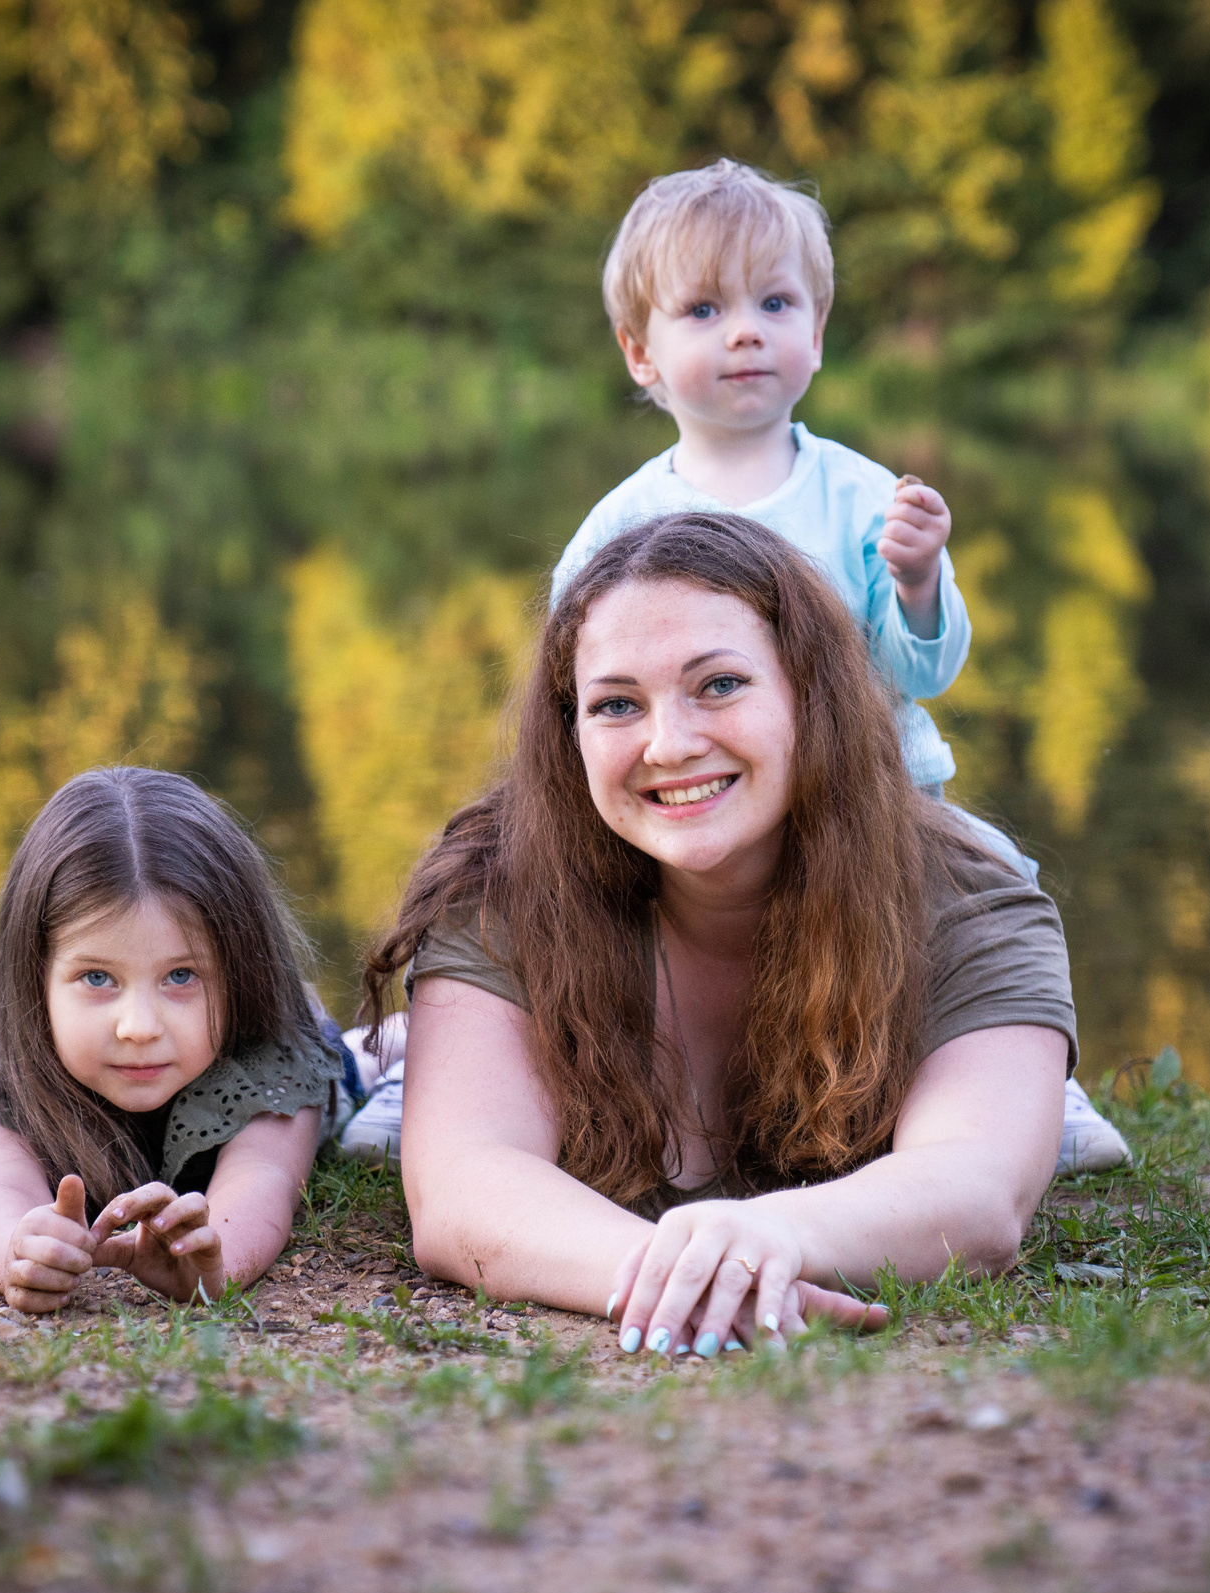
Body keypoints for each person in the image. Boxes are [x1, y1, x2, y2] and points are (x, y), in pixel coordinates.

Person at [345, 158, 1128, 1176]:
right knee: (515, 894)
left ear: (817, 331)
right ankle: (431, 1072)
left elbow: (919, 670)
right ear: (640, 353)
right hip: (682, 812)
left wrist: (921, 582)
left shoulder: (858, 496)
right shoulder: (621, 522)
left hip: (868, 801)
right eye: (705, 308)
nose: (745, 330)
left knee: (990, 884)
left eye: (774, 302)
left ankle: (1027, 1080)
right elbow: (577, 691)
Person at [363, 513, 1079, 1356]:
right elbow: (462, 1190)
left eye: (720, 685)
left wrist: (779, 1235)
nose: (670, 744)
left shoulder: (970, 898)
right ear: (572, 733)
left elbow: (979, 1189)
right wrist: (699, 1273)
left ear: (810, 696)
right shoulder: (499, 887)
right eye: (617, 704)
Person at [0, 768, 344, 1314]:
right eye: (98, 978)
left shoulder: (273, 1058)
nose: (139, 1027)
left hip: (295, 1024)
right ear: (36, 977)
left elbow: (263, 1176)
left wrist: (216, 1260)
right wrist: (18, 1252)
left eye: (181, 976)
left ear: (240, 971)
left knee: (339, 1035)